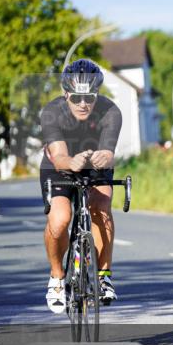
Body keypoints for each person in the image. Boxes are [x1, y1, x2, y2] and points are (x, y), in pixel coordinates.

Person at [40, 59, 122, 313]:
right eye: (76, 98)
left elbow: (109, 152)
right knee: (61, 218)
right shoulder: (52, 112)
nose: (83, 104)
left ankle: (103, 275)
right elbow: (59, 156)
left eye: (90, 97)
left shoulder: (111, 111)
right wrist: (71, 162)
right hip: (59, 165)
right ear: (66, 94)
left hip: (95, 163)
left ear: (97, 94)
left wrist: (104, 157)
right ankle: (56, 277)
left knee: (101, 205)